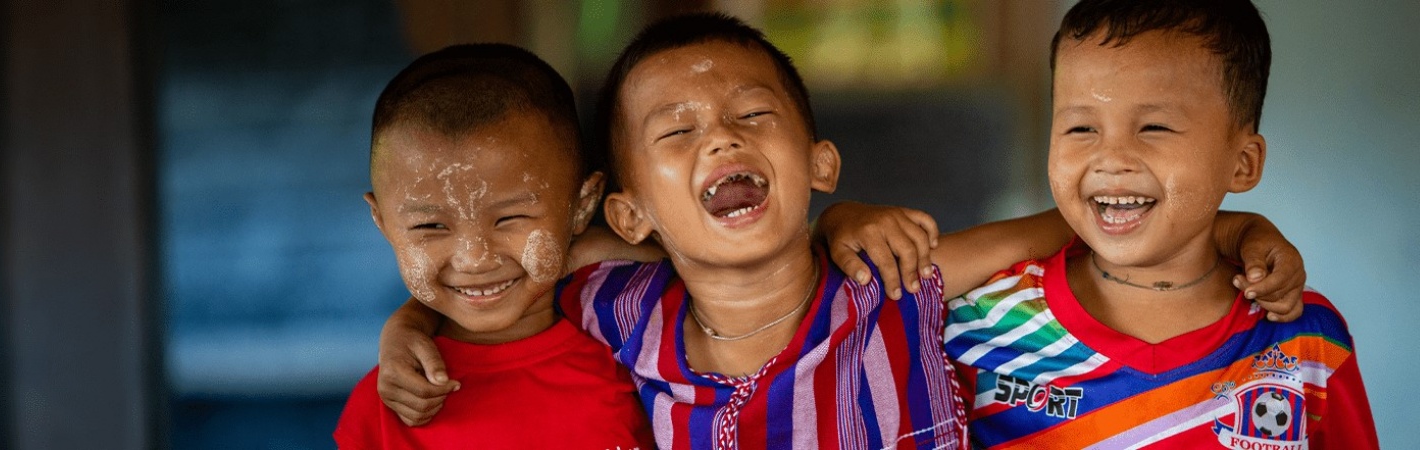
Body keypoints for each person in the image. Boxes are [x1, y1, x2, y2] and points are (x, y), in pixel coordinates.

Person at [379, 14, 1309, 449]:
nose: (722, 138)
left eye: (753, 115)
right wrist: (411, 322)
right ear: (628, 212)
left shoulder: (892, 282)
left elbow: (1070, 227)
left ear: (822, 164)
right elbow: (515, 264)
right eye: (677, 132)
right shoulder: (621, 308)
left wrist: (1230, 224)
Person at [941, 1, 1377, 448]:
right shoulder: (980, 324)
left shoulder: (1307, 344)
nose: (1111, 158)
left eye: (1154, 127)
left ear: (1243, 163)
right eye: (1081, 129)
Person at [333, 43, 651, 449]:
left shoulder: (644, 361)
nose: (475, 259)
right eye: (431, 225)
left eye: (510, 218)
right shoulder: (387, 407)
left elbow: (699, 265)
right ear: (382, 223)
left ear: (583, 205)